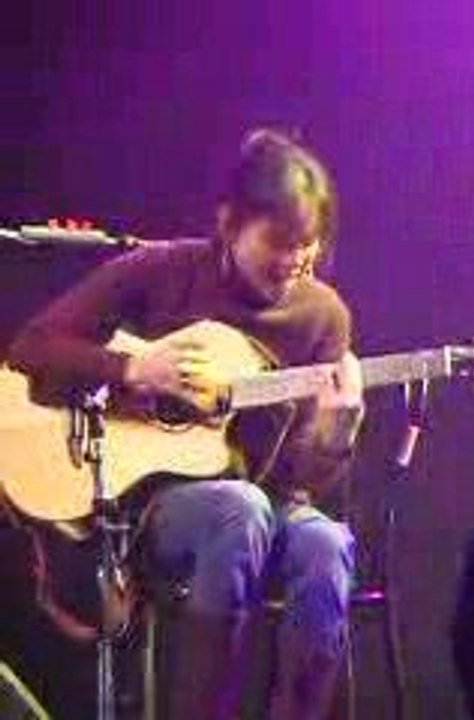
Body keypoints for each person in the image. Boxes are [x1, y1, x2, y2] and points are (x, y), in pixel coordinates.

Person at [7, 128, 363, 718]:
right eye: (280, 239)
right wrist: (133, 368)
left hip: (269, 506)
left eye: (311, 242)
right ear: (229, 223)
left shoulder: (324, 317)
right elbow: (31, 347)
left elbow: (304, 481)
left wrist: (336, 431)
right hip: (160, 508)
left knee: (327, 544)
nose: (297, 258)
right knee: (238, 507)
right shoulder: (162, 271)